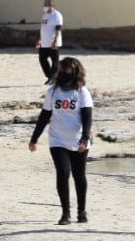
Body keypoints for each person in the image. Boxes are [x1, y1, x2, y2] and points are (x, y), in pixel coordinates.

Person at [30, 56, 92, 225]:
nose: (64, 73)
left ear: (76, 72)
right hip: (57, 140)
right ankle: (65, 213)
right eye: (62, 69)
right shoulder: (52, 91)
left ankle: (82, 211)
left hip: (78, 140)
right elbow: (45, 116)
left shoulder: (81, 92)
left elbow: (87, 117)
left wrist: (85, 139)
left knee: (79, 176)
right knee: (63, 173)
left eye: (68, 70)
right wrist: (34, 138)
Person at [37, 0, 64, 84]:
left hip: (53, 42)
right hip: (44, 42)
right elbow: (43, 28)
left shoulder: (57, 15)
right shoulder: (45, 15)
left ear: (52, 5)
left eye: (46, 5)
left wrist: (55, 41)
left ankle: (53, 78)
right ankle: (50, 76)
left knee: (55, 62)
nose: (44, 6)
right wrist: (40, 39)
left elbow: (58, 29)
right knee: (42, 59)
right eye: (44, 4)